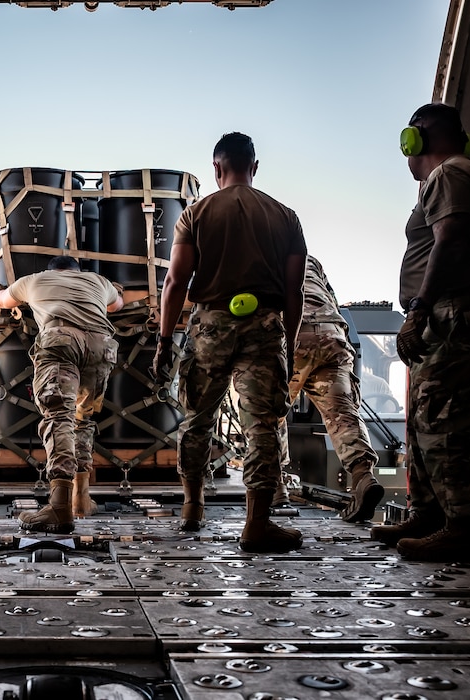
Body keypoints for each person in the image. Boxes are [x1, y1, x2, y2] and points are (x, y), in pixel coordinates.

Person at [153, 131, 307, 553]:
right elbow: (295, 292)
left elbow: (174, 282)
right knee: (262, 425)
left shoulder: (196, 213)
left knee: (196, 420)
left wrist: (165, 341)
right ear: (254, 167)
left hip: (210, 327)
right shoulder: (285, 216)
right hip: (265, 327)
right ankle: (257, 524)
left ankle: (192, 508)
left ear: (216, 168)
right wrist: (289, 348)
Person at [371, 103, 470, 562]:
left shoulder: (449, 175)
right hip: (456, 315)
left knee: (445, 426)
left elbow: (448, 240)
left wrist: (422, 309)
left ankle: (462, 528)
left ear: (418, 138)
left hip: (449, 317)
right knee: (424, 422)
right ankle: (429, 514)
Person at [0, 256, 123, 533]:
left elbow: (0, 301)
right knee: (84, 420)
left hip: (61, 342)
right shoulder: (98, 281)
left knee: (59, 417)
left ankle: (59, 506)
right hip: (101, 347)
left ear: (52, 270)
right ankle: (81, 499)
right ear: (77, 271)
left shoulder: (34, 280)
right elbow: (116, 304)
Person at [275, 255, 384, 522]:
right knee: (342, 414)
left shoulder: (258, 254)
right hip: (332, 334)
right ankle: (362, 477)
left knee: (268, 413)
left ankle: (275, 490)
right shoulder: (309, 260)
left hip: (291, 334)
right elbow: (331, 298)